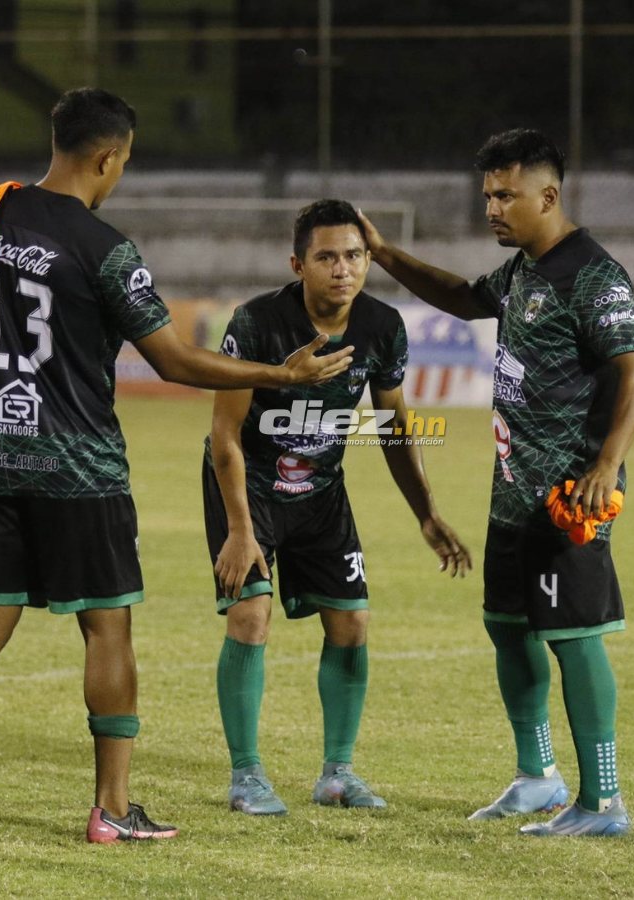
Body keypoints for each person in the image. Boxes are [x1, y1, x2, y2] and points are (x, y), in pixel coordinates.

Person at [0, 88, 354, 844]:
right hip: (82, 473)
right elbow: (174, 360)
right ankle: (112, 811)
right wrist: (285, 376)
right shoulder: (106, 249)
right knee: (109, 631)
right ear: (108, 156)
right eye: (124, 164)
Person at [358, 129, 634, 836]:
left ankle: (603, 800)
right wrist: (385, 253)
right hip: (512, 494)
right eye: (487, 193)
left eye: (505, 194)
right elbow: (462, 298)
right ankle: (535, 775)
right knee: (507, 626)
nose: (491, 206)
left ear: (548, 196)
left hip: (567, 498)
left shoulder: (592, 273)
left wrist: (605, 465)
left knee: (575, 636)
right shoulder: (524, 269)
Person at [204, 200, 472, 815]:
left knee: (351, 622)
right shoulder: (258, 322)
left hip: (322, 488)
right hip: (251, 485)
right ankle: (246, 777)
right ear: (299, 264)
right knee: (250, 614)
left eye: (354, 256)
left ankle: (337, 775)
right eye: (326, 257)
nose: (342, 269)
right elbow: (224, 436)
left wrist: (426, 513)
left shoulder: (381, 327)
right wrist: (240, 530)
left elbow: (395, 427)